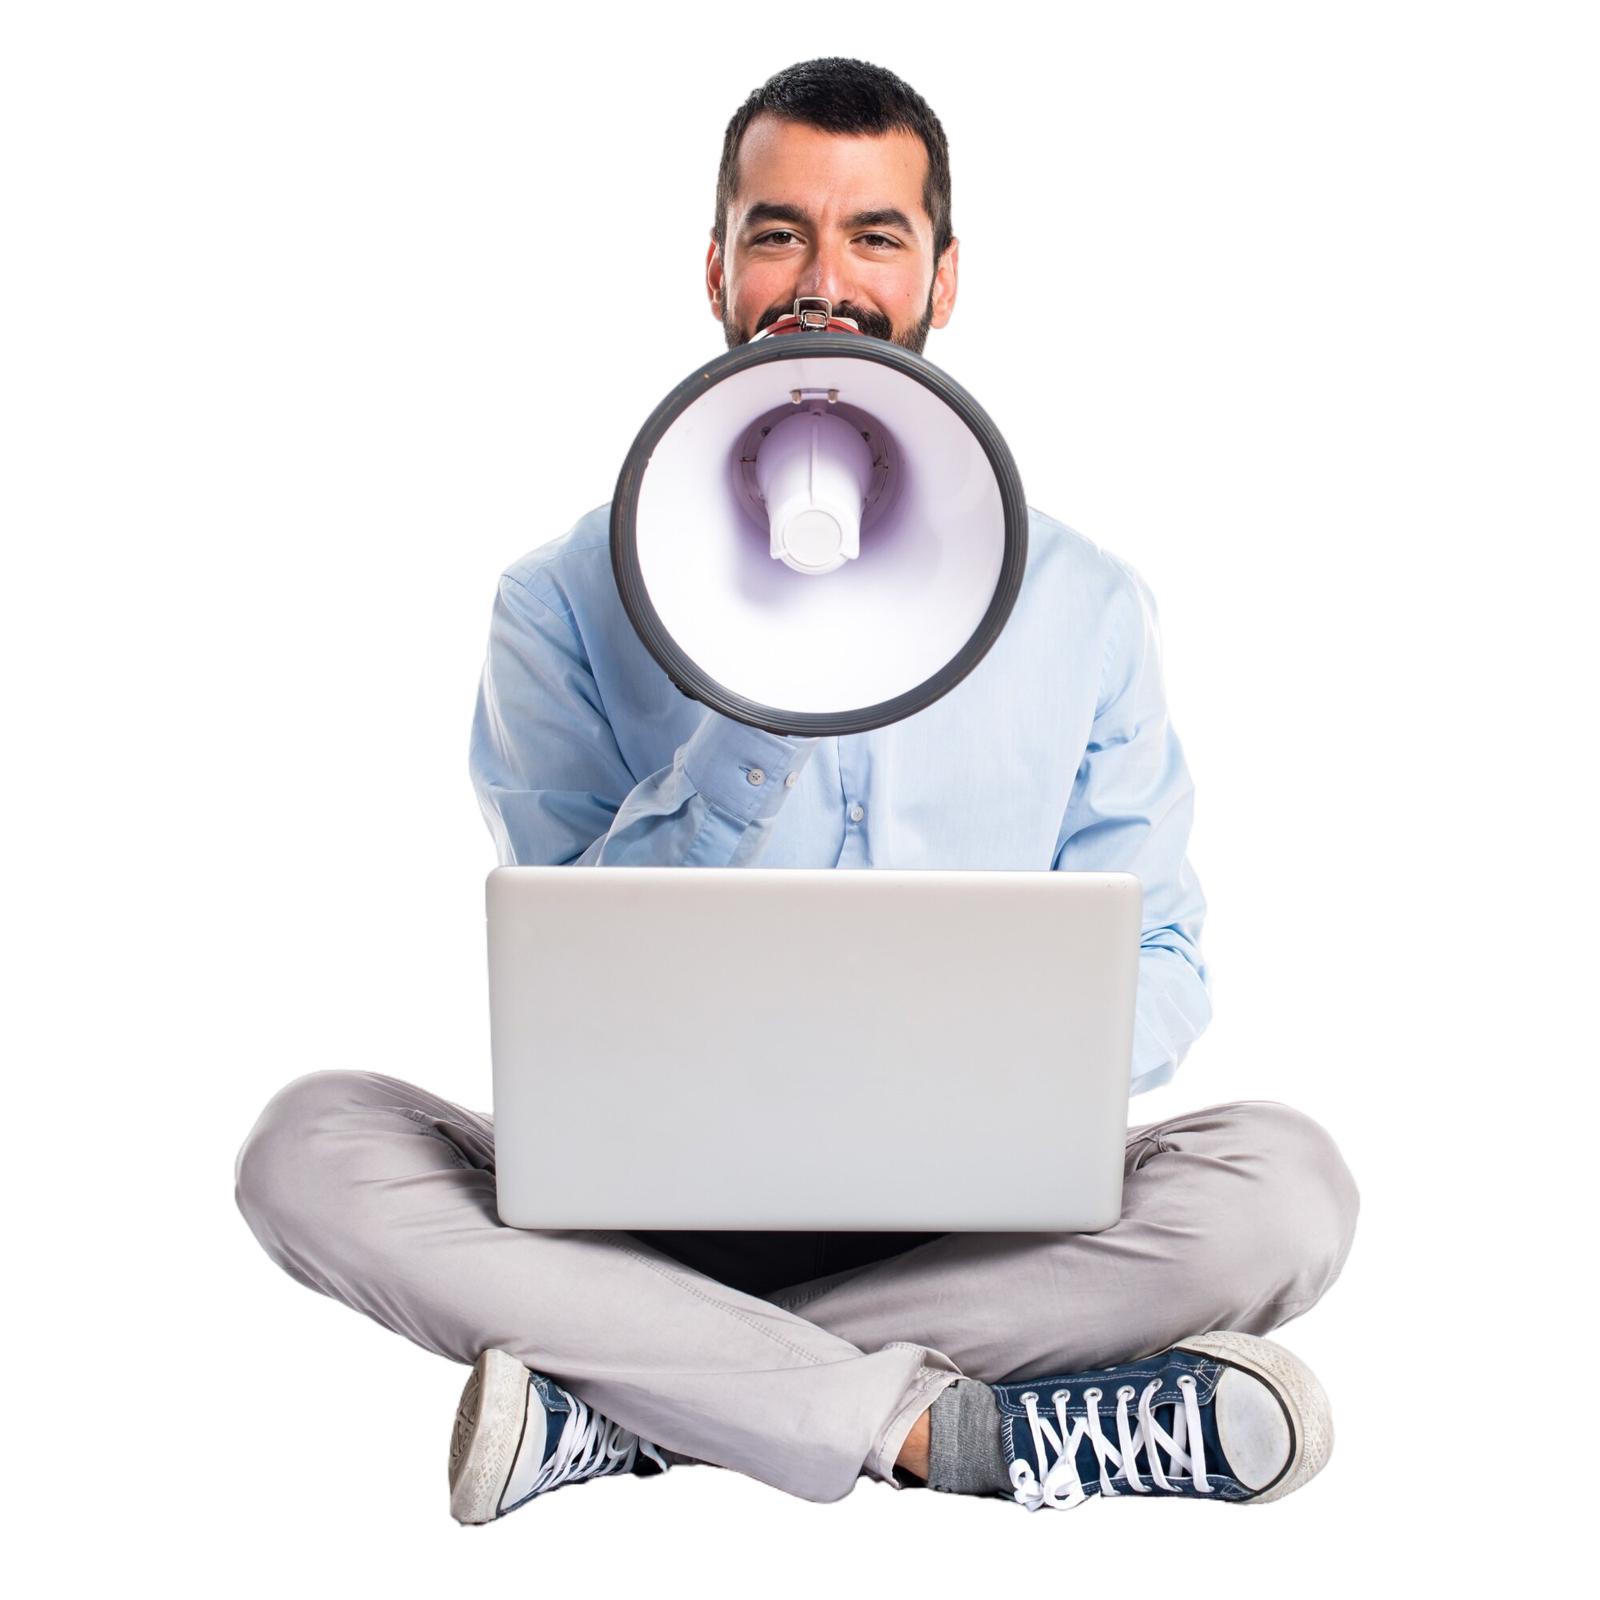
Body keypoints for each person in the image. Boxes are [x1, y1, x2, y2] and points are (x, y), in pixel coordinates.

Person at [234, 57, 1360, 1523]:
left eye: (876, 236)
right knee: (307, 1146)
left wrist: (981, 1065)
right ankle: (938, 1430)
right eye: (779, 234)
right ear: (716, 269)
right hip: (650, 1210)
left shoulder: (1091, 604)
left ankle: (637, 1408)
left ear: (945, 279)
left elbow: (1163, 962)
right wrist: (754, 706)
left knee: (1286, 1188)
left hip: (981, 1212)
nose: (823, 283)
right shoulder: (559, 598)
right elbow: (576, 987)